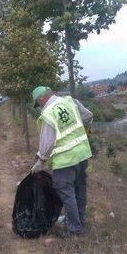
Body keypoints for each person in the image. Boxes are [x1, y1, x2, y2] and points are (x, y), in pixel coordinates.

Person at [31, 86, 93, 238]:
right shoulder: (69, 101)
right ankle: (79, 222)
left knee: (66, 192)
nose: (40, 107)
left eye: (38, 104)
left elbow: (47, 142)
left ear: (40, 99)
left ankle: (74, 230)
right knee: (79, 190)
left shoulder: (48, 114)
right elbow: (88, 116)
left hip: (65, 160)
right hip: (82, 154)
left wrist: (41, 161)